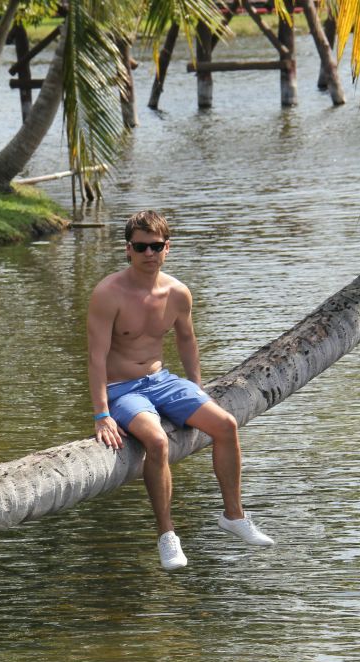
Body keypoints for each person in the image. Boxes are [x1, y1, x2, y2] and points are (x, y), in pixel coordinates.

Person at [86, 210, 273, 571]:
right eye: (141, 247)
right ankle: (167, 535)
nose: (149, 254)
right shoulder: (108, 294)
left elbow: (187, 340)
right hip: (122, 389)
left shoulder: (177, 293)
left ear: (167, 248)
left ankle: (234, 516)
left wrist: (197, 388)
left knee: (225, 425)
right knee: (156, 442)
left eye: (156, 246)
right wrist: (101, 414)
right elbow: (95, 358)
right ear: (128, 250)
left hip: (162, 381)